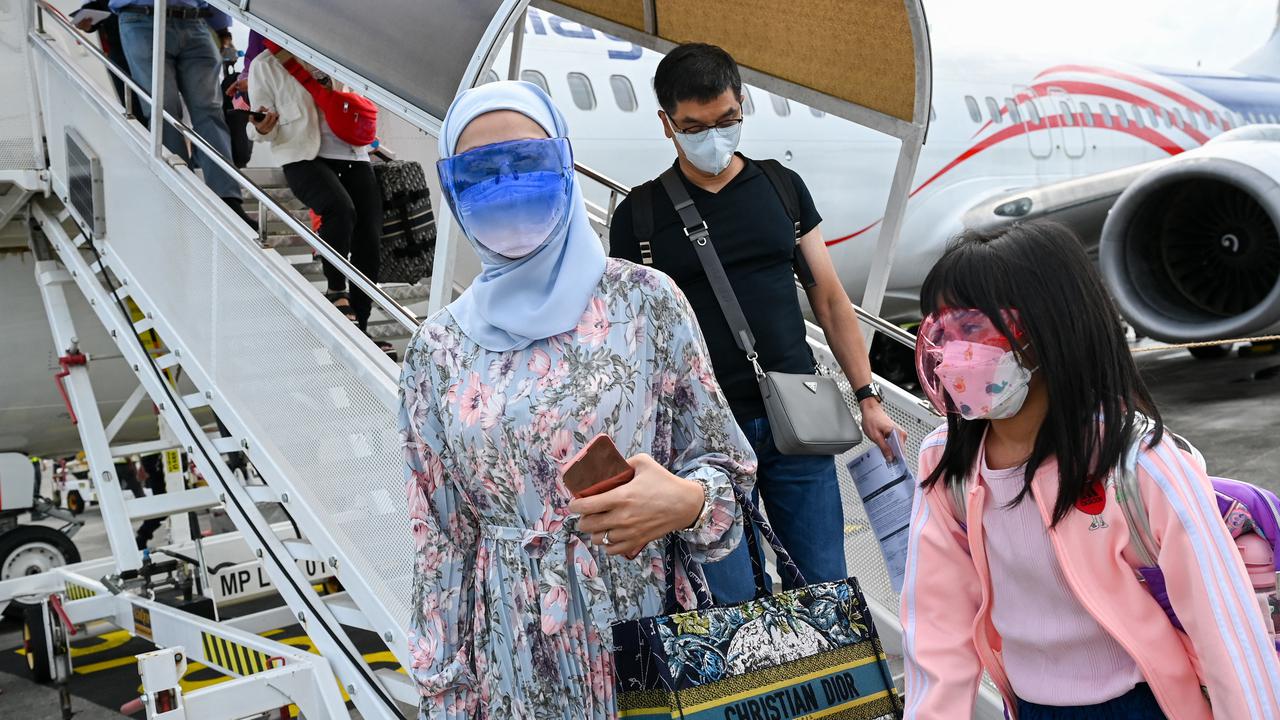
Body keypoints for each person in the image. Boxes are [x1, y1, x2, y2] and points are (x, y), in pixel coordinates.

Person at [398, 80, 755, 718]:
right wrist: (443, 686)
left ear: (564, 164)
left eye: (529, 162)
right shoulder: (437, 349)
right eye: (480, 172)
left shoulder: (645, 301)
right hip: (508, 648)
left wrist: (686, 501)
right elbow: (441, 538)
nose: (507, 184)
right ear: (452, 189)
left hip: (643, 625)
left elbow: (731, 469)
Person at [899, 222, 1280, 719]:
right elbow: (935, 624)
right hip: (1033, 707)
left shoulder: (1139, 461)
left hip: (1144, 704)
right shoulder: (947, 465)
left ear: (1048, 329)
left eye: (971, 327)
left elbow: (1224, 627)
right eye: (940, 330)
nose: (949, 353)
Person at [608, 42, 901, 604]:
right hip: (700, 440)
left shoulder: (780, 187)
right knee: (735, 605)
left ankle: (833, 691)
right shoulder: (639, 216)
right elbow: (630, 339)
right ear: (667, 125)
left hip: (799, 421)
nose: (713, 137)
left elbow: (831, 300)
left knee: (823, 586)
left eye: (727, 120)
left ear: (741, 104)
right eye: (694, 126)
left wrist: (867, 397)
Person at [246, 39, 386, 345]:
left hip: (354, 154)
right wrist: (261, 128)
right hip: (302, 156)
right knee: (339, 210)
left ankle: (360, 326)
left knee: (370, 239)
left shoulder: (337, 53)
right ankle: (336, 290)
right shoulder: (265, 66)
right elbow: (256, 123)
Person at [109, 0, 255, 228]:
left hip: (195, 20)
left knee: (210, 111)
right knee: (163, 111)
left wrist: (222, 28)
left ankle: (228, 200)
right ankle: (179, 194)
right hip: (141, 18)